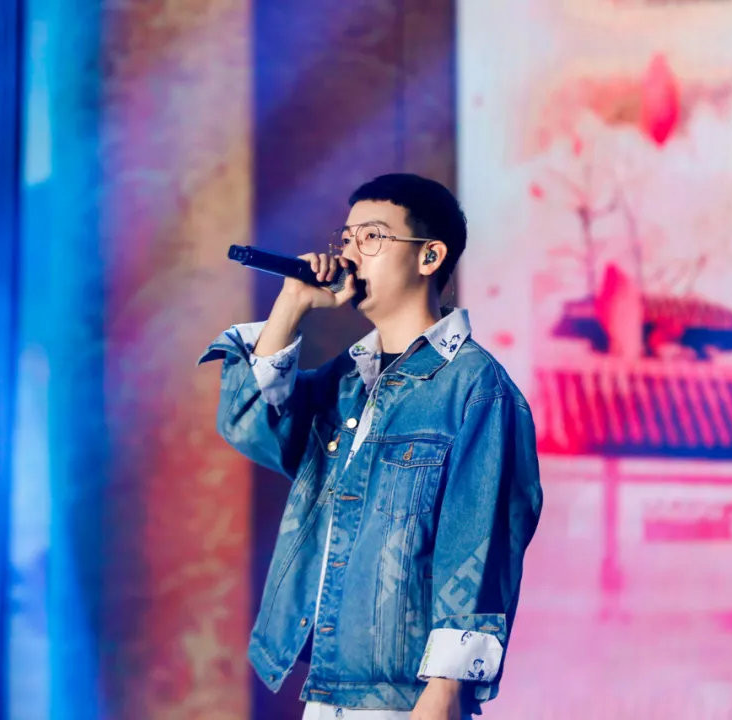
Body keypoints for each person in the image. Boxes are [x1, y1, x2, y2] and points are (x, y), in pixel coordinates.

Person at [198, 174, 543, 719]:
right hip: (327, 687)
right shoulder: (344, 381)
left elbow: (479, 544)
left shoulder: (475, 387)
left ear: (429, 256)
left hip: (404, 698)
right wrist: (291, 305)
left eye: (373, 237)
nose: (350, 254)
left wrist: (445, 690)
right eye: (346, 237)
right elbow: (248, 424)